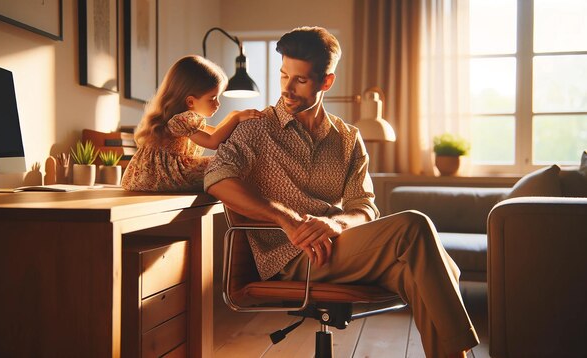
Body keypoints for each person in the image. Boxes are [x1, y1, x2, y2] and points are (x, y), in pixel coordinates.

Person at [204, 27, 479, 357]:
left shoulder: (348, 138)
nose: (287, 88)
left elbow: (364, 206)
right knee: (414, 225)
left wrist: (336, 224)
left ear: (326, 82)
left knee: (417, 272)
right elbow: (217, 177)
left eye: (300, 80)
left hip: (340, 246)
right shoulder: (254, 127)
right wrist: (286, 218)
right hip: (291, 258)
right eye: (283, 75)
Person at [122, 55, 263, 192]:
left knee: (230, 166)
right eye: (212, 98)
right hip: (167, 174)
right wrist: (235, 118)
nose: (217, 104)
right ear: (190, 101)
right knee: (226, 165)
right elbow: (213, 142)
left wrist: (232, 115)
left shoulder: (186, 119)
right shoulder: (182, 119)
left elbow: (214, 131)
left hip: (167, 172)